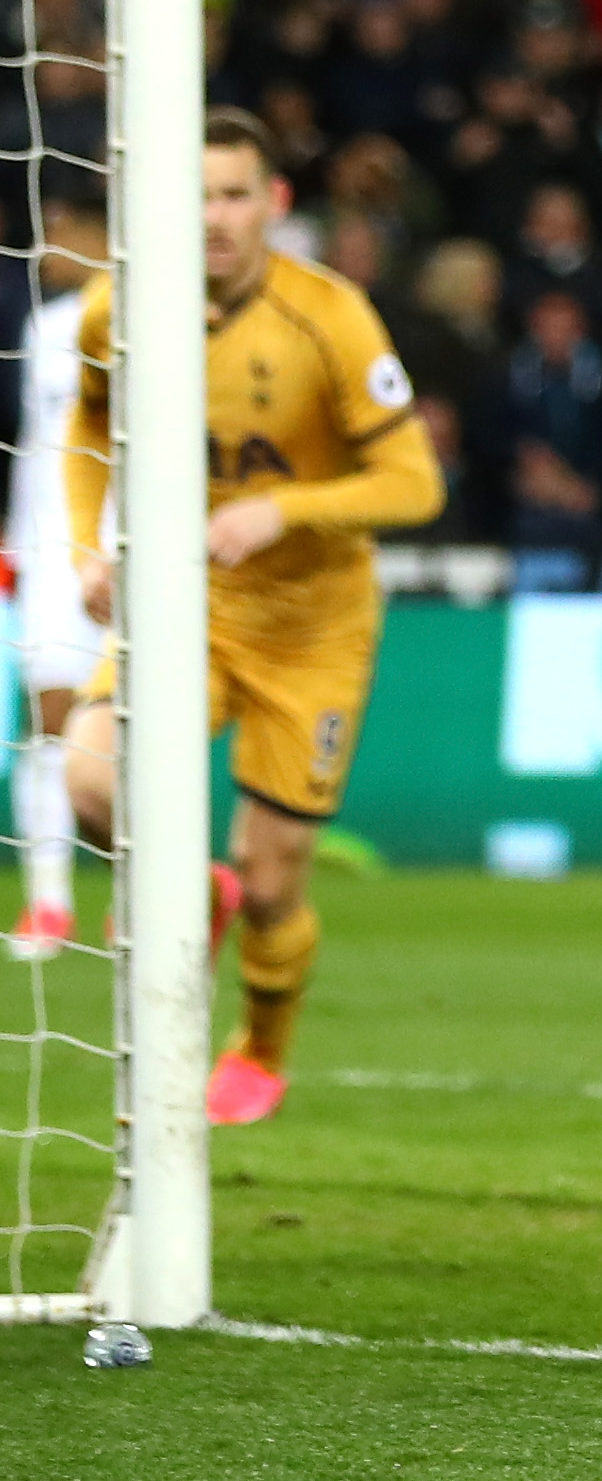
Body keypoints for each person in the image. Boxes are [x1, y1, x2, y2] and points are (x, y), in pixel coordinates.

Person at [59, 108, 444, 1122]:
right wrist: (87, 546)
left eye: (234, 193)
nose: (214, 217)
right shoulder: (120, 304)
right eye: (194, 194)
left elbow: (414, 484)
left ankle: (260, 1045)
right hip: (192, 605)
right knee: (89, 774)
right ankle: (194, 887)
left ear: (272, 203)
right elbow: (88, 420)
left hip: (314, 627)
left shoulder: (330, 314)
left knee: (274, 881)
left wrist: (286, 508)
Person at [5, 200, 114, 959]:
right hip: (50, 548)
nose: (47, 246)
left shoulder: (158, 325)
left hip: (136, 547)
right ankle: (48, 900)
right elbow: (33, 447)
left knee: (129, 728)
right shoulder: (44, 330)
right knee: (47, 716)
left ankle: (146, 898)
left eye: (63, 226)